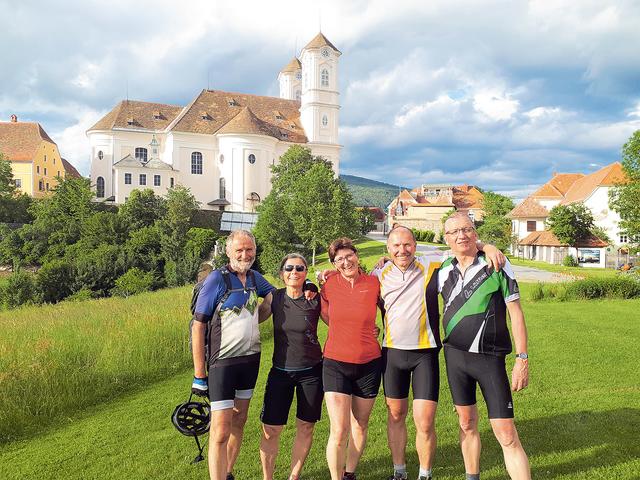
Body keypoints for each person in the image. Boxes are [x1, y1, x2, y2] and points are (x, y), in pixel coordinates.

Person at [372, 226, 505, 480]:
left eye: (408, 244)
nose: (403, 250)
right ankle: (399, 472)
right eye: (396, 246)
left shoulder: (432, 263)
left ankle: (425, 474)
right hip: (392, 355)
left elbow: (462, 245)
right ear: (388, 249)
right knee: (396, 415)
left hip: (425, 354)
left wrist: (487, 246)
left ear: (415, 245)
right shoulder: (378, 273)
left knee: (424, 421)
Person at [438, 213, 530, 480]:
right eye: (454, 232)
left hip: (489, 359)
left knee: (506, 433)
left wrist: (521, 359)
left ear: (475, 233)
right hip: (455, 358)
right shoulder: (443, 269)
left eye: (466, 229)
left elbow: (516, 313)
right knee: (466, 424)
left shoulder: (496, 264)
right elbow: (403, 258)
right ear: (446, 239)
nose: (461, 236)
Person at [191, 230, 275, 480]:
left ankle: (228, 472)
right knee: (219, 430)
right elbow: (199, 326)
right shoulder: (217, 279)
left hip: (250, 361)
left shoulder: (254, 278)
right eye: (239, 250)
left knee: (239, 422)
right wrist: (199, 375)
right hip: (222, 364)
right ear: (228, 252)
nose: (244, 254)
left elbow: (274, 299)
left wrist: (254, 318)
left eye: (249, 249)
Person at [257, 253, 324, 480]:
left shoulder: (315, 299)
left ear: (306, 273)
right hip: (281, 372)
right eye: (289, 268)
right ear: (281, 274)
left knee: (306, 426)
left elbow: (339, 319)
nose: (294, 272)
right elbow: (250, 319)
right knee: (271, 430)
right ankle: (268, 478)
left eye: (299, 268)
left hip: (312, 372)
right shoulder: (274, 298)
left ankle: (293, 476)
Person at [321, 237, 382, 480]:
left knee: (361, 424)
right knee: (339, 429)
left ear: (356, 255)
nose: (346, 262)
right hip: (335, 362)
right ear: (334, 264)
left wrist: (376, 329)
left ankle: (350, 473)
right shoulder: (327, 284)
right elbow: (325, 315)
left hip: (369, 363)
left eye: (349, 256)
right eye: (339, 259)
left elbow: (394, 309)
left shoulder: (375, 282)